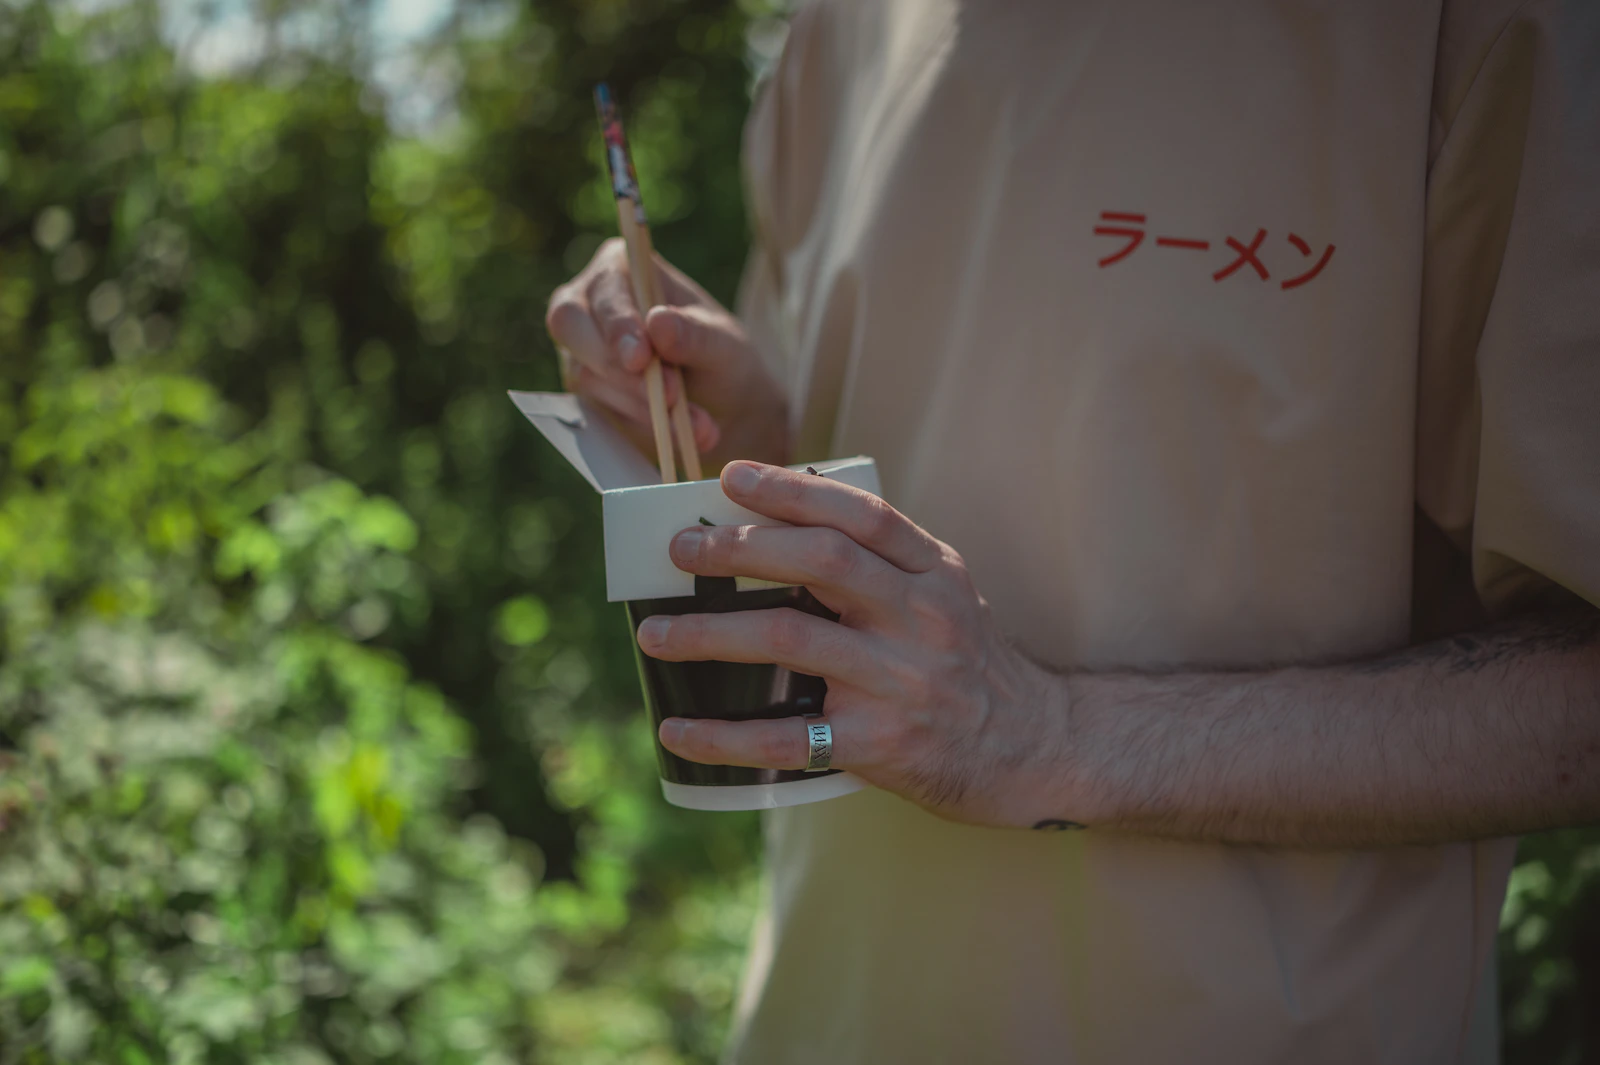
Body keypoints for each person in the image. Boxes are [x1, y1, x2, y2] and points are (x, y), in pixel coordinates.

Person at [545, 1, 1600, 1061]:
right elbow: (865, 463)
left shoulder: (1477, 27)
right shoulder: (837, 28)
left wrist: (1050, 738)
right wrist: (747, 428)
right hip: (822, 1020)